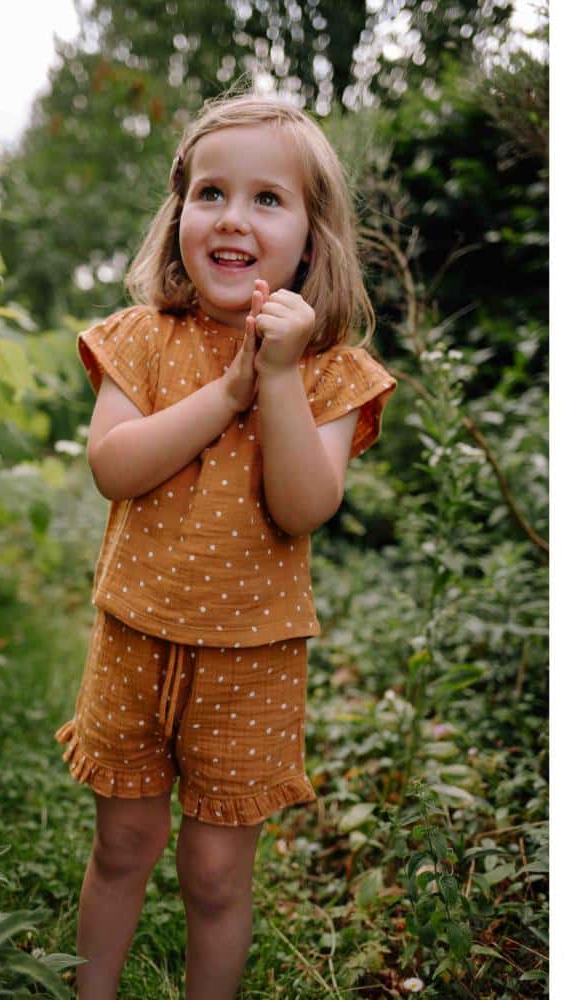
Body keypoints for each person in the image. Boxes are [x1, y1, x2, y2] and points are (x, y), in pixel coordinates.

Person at [53, 89, 397, 999]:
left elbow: (303, 506)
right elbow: (113, 467)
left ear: (312, 240)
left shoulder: (330, 371)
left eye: (267, 199)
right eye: (210, 193)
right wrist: (228, 393)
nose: (232, 217)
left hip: (252, 660)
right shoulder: (143, 339)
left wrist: (275, 378)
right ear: (178, 217)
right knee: (123, 843)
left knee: (214, 872)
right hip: (134, 639)